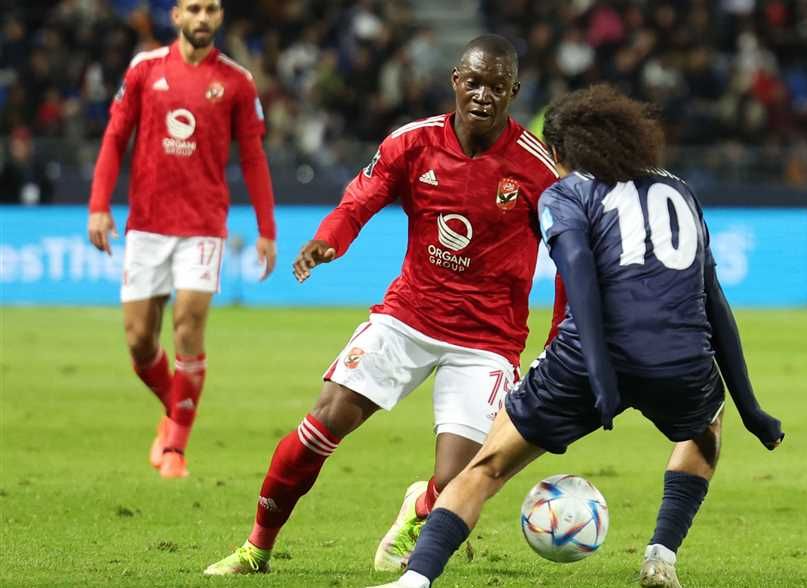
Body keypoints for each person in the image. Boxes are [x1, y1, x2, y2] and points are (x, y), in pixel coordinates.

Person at [372, 85, 785, 588]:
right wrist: (751, 408)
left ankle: (414, 581)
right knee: (706, 428)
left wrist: (601, 375)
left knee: (487, 467)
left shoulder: (566, 192)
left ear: (559, 151)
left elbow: (580, 278)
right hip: (679, 360)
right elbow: (714, 302)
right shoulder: (679, 189)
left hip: (584, 361)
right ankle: (660, 557)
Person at [203, 34, 564, 576]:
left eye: (497, 86)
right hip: (408, 317)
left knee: (459, 480)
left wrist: (558, 340)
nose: (483, 95)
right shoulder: (413, 143)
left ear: (513, 92)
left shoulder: (539, 171)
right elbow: (358, 202)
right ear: (455, 81)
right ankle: (257, 549)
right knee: (322, 425)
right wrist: (328, 241)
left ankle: (420, 508)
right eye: (473, 82)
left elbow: (571, 261)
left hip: (487, 340)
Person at [86, 0, 277, 479]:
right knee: (139, 340)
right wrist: (98, 205)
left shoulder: (236, 81)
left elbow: (253, 158)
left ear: (220, 16)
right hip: (147, 223)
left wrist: (266, 230)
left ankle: (175, 447)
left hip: (202, 225)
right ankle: (177, 409)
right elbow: (115, 137)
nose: (203, 17)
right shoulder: (144, 69)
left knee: (188, 327)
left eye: (211, 9)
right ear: (176, 16)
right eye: (194, 8)